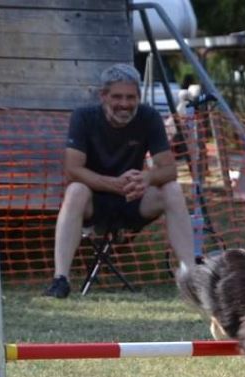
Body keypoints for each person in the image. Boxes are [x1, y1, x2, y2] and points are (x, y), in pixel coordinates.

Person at [44, 63, 195, 298]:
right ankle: (60, 279)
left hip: (134, 199)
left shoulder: (149, 117)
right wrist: (111, 183)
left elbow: (170, 170)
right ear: (103, 96)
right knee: (75, 190)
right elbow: (73, 170)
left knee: (172, 189)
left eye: (130, 97)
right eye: (117, 97)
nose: (124, 104)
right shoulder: (83, 117)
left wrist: (146, 177)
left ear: (139, 96)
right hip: (94, 202)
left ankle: (191, 276)